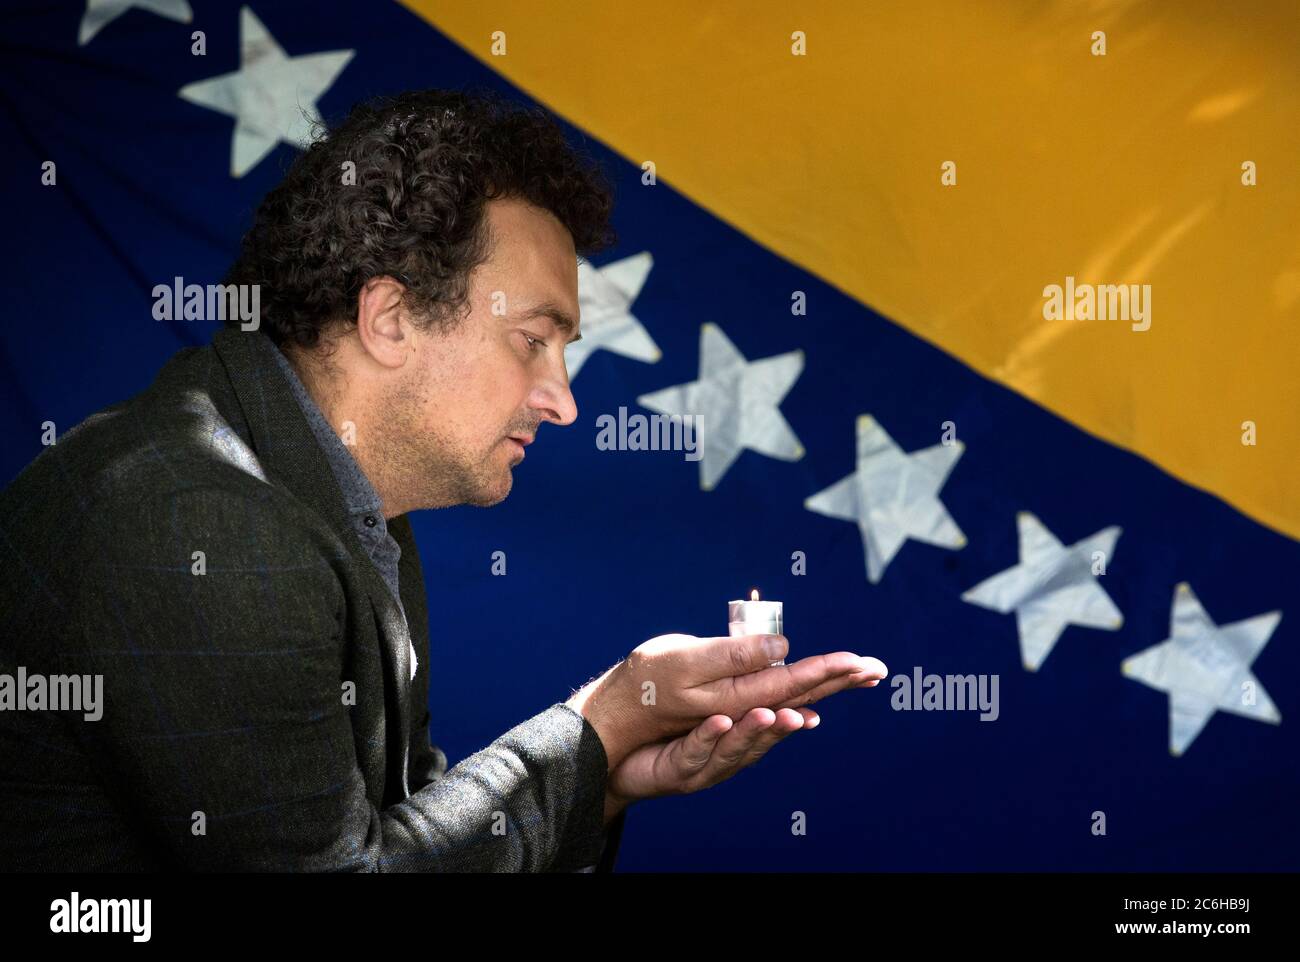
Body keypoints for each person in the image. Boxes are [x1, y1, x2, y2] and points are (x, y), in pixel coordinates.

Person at [0, 88, 887, 871]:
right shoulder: (205, 523)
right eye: (533, 341)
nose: (564, 403)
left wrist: (603, 777)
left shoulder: (345, 496)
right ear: (389, 318)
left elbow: (398, 832)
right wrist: (601, 721)